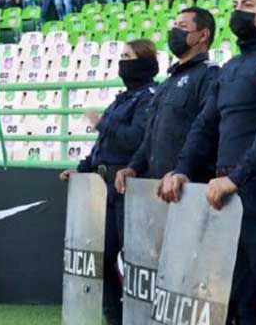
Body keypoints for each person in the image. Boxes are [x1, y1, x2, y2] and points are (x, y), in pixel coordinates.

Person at [159, 0, 256, 323]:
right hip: (227, 198)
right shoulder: (231, 68)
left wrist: (237, 178)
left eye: (248, 6)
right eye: (236, 4)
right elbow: (204, 126)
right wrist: (181, 168)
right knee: (241, 301)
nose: (237, 11)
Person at [59, 39, 157, 325]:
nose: (122, 61)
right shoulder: (124, 97)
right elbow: (103, 143)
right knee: (100, 258)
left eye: (129, 56)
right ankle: (115, 317)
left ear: (145, 62)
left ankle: (139, 317)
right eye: (122, 56)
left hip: (130, 187)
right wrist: (81, 168)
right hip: (104, 188)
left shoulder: (149, 96)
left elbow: (136, 139)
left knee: (135, 259)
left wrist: (102, 122)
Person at [115, 8, 219, 190]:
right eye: (174, 25)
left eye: (183, 26)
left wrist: (182, 170)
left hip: (188, 187)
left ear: (203, 35)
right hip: (158, 187)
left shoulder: (210, 76)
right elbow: (151, 135)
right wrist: (133, 167)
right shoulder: (167, 83)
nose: (174, 31)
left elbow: (206, 131)